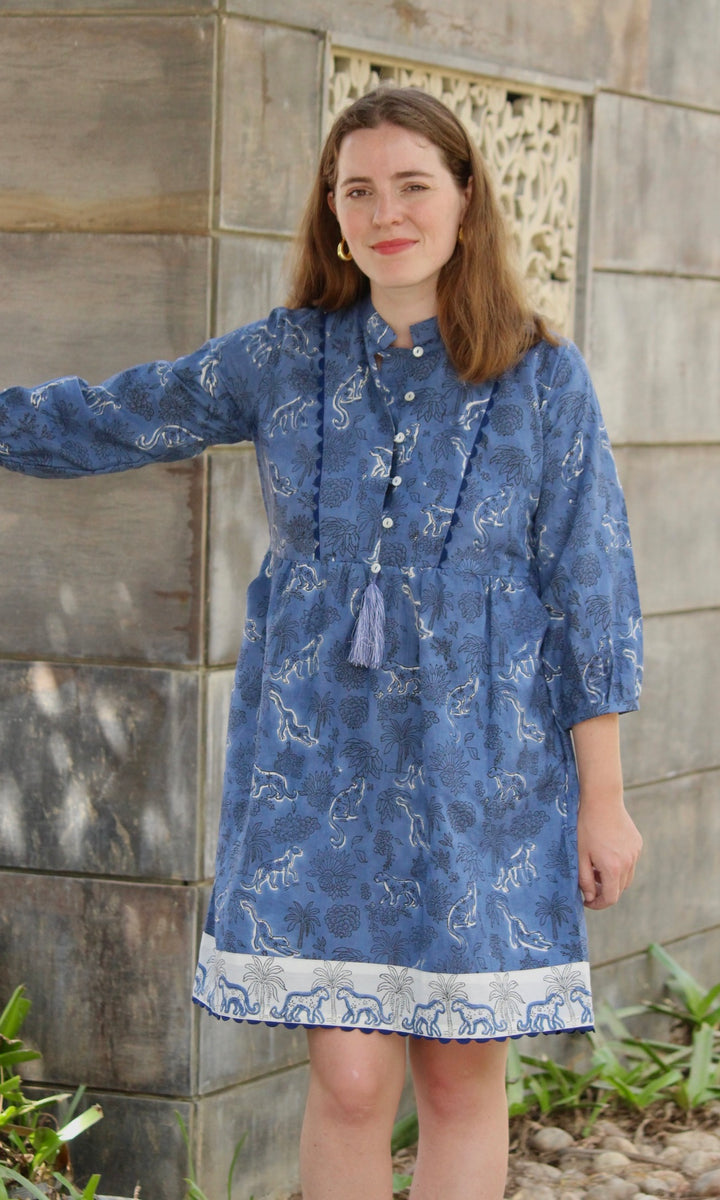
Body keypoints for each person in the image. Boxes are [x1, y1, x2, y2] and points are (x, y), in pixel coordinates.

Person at [0, 87, 642, 1200]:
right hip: (316, 764)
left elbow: (591, 592)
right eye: (359, 190)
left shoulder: (544, 378)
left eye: (412, 185)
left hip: (482, 771)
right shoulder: (283, 357)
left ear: (463, 200)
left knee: (455, 1080)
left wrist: (605, 797)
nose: (387, 211)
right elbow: (117, 413)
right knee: (348, 1080)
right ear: (333, 214)